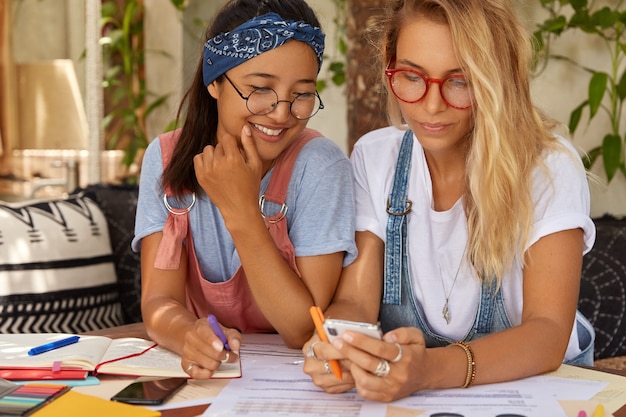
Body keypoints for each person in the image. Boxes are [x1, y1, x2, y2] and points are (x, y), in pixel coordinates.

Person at [302, 0, 596, 402]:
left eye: (460, 81)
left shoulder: (547, 167)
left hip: (535, 395)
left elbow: (546, 332)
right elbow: (355, 299)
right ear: (390, 68)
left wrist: (427, 371)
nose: (432, 104)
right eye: (411, 76)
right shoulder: (376, 158)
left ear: (497, 80)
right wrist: (339, 342)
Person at [132, 0, 357, 380]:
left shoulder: (320, 166)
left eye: (302, 94)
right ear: (215, 82)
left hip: (295, 378)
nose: (282, 113)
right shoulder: (167, 159)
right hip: (209, 374)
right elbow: (159, 301)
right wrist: (188, 333)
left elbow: (303, 328)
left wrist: (241, 211)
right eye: (260, 89)